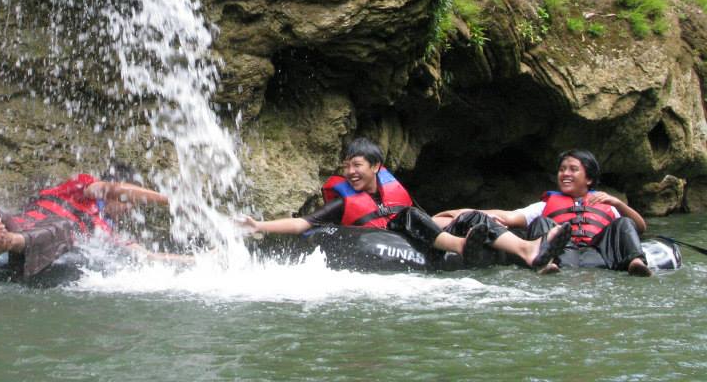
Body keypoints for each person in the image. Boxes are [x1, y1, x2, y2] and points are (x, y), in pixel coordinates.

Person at [240, 137, 571, 272]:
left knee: (471, 216)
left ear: (376, 168)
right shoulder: (343, 203)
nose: (350, 172)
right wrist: (259, 226)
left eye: (357, 165)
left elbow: (426, 222)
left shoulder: (392, 193)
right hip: (374, 241)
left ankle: (530, 251)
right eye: (347, 166)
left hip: (414, 237)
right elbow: (304, 224)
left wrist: (456, 217)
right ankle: (461, 246)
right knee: (410, 215)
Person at [0, 168, 184, 286]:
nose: (128, 209)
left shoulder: (104, 232)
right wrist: (169, 199)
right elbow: (110, 187)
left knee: (65, 227)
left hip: (35, 244)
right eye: (129, 202)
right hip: (17, 225)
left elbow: (145, 256)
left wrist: (202, 260)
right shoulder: (81, 189)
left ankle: (7, 244)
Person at [437, 149, 651, 276]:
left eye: (573, 169)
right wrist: (457, 213)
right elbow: (507, 216)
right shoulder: (543, 206)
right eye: (562, 169)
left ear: (589, 178)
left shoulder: (609, 205)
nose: (565, 174)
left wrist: (619, 204)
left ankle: (635, 263)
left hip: (601, 256)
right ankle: (545, 262)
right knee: (540, 222)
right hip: (562, 257)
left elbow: (638, 227)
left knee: (624, 223)